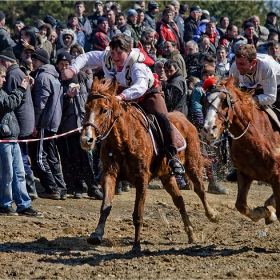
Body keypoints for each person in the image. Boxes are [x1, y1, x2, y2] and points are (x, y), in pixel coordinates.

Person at [61, 33, 185, 176]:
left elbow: (141, 86)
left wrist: (121, 97)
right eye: (113, 52)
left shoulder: (137, 64)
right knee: (105, 119)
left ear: (128, 51)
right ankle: (108, 160)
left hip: (148, 94)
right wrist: (72, 69)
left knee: (163, 118)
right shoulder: (106, 56)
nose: (115, 56)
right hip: (120, 96)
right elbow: (86, 57)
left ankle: (173, 156)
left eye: (119, 53)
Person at [228, 44, 280, 181]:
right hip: (251, 90)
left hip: (275, 90)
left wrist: (247, 101)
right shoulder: (235, 67)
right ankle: (238, 164)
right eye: (237, 63)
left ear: (254, 62)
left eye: (242, 64)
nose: (238, 68)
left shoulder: (266, 67)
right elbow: (231, 91)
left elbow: (270, 98)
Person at [56, 52, 103, 200]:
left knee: (86, 155)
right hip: (68, 124)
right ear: (57, 65)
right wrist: (66, 97)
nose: (64, 68)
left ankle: (92, 186)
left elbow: (93, 96)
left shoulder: (83, 78)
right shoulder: (58, 81)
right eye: (62, 65)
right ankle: (78, 186)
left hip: (84, 123)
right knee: (75, 156)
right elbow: (56, 106)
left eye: (67, 64)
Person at [0, 65, 41, 216]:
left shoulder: (2, 92)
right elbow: (8, 104)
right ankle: (4, 204)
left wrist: (24, 91)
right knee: (7, 174)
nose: (5, 80)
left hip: (11, 139)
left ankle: (23, 205)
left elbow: (15, 103)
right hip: (4, 141)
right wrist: (21, 89)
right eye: (2, 77)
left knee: (18, 174)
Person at [29, 49, 67, 200]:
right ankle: (61, 188)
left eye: (35, 61)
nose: (33, 63)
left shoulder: (43, 77)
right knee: (52, 157)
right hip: (53, 122)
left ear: (42, 62)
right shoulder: (54, 77)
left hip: (44, 122)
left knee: (39, 157)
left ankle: (52, 189)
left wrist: (35, 123)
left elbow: (40, 103)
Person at [189, 64, 229, 194]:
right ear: (202, 76)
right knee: (208, 155)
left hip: (216, 127)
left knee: (216, 155)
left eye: (211, 75)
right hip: (204, 127)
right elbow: (196, 109)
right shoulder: (199, 90)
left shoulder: (219, 89)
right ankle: (212, 183)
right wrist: (202, 126)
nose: (209, 77)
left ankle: (215, 180)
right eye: (206, 75)